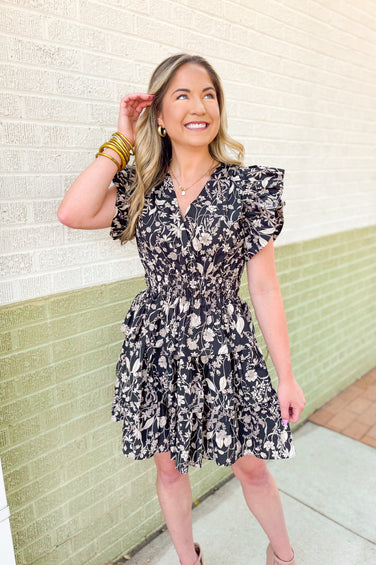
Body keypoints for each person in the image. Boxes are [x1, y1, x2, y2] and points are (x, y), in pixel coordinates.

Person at [57, 53, 306, 565]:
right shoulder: (140, 189)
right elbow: (73, 212)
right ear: (161, 117)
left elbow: (264, 288)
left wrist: (286, 374)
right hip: (158, 342)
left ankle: (283, 557)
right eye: (183, 95)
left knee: (251, 465)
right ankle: (187, 558)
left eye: (209, 94)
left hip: (226, 345)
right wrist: (122, 140)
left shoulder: (247, 189)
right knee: (170, 468)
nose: (200, 105)